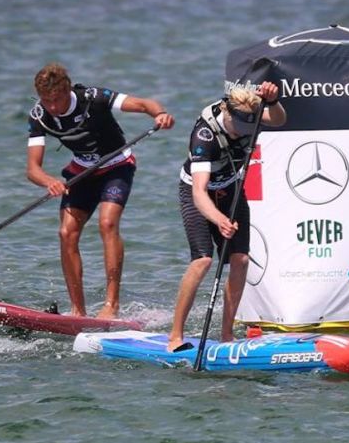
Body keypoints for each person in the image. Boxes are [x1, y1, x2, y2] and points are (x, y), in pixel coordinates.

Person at [26, 62, 175, 319]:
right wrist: (49, 181)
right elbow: (32, 169)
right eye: (46, 100)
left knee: (107, 224)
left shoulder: (93, 98)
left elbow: (144, 104)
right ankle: (78, 311)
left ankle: (111, 305)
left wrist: (160, 114)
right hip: (82, 171)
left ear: (67, 90)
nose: (52, 107)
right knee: (66, 233)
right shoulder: (39, 115)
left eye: (57, 100)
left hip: (116, 166)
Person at [167, 82, 286, 351]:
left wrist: (274, 100)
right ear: (228, 113)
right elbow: (198, 192)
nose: (244, 132)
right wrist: (219, 220)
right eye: (241, 127)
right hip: (198, 192)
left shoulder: (249, 114)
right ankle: (175, 335)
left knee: (240, 259)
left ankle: (226, 335)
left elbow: (279, 119)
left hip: (231, 188)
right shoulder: (205, 136)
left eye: (250, 126)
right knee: (203, 260)